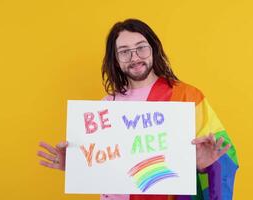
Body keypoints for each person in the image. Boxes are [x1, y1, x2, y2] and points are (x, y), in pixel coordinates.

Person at [38, 19, 238, 200]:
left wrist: (206, 165)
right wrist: (77, 165)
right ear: (116, 59)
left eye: (141, 48)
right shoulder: (106, 106)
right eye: (124, 51)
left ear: (153, 49)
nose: (134, 57)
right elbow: (106, 164)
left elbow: (224, 152)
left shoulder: (186, 96)